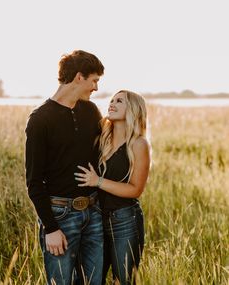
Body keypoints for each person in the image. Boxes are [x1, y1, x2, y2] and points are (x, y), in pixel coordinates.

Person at [25, 50, 105, 285]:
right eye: (94, 81)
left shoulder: (91, 112)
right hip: (60, 216)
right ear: (79, 77)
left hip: (93, 212)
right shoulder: (40, 119)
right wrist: (50, 228)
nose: (96, 88)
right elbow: (34, 181)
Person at [74, 90, 151, 285]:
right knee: (90, 278)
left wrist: (97, 181)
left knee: (123, 280)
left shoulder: (138, 144)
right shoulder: (102, 140)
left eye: (119, 101)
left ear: (133, 109)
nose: (112, 104)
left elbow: (135, 190)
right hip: (96, 218)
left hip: (124, 219)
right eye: (111, 100)